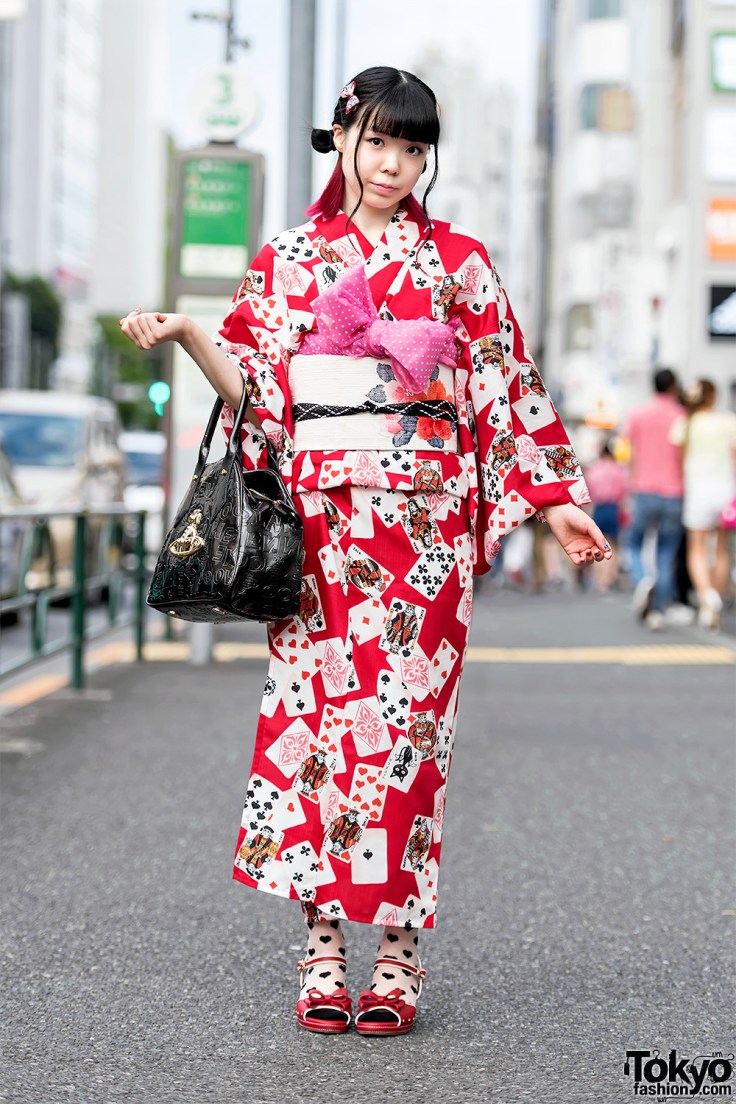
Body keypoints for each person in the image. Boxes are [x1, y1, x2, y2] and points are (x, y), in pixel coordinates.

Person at [120, 66, 610, 1036]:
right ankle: (319, 951)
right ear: (340, 135)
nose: (394, 165)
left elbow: (507, 385)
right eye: (379, 140)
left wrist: (556, 502)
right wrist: (185, 336)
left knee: (406, 748)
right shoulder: (291, 258)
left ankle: (394, 956)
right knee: (314, 736)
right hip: (322, 537)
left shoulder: (460, 262)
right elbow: (257, 393)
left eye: (414, 148)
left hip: (421, 539)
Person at [669, 378, 736, 629]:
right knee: (721, 550)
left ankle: (706, 597)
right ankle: (715, 600)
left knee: (696, 549)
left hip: (697, 492)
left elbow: (680, 462)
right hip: (725, 490)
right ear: (713, 397)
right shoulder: (728, 420)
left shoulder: (685, 423)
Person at [623, 368, 686, 630]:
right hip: (674, 492)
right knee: (666, 551)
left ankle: (641, 581)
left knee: (634, 543)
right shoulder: (681, 416)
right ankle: (658, 609)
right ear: (673, 388)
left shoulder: (638, 414)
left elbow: (626, 452)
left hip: (644, 489)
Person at [582, 440, 628, 592]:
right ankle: (610, 577)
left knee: (598, 544)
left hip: (599, 508)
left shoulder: (593, 469)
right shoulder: (618, 469)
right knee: (613, 545)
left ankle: (600, 579)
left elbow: (588, 492)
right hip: (613, 508)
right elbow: (623, 492)